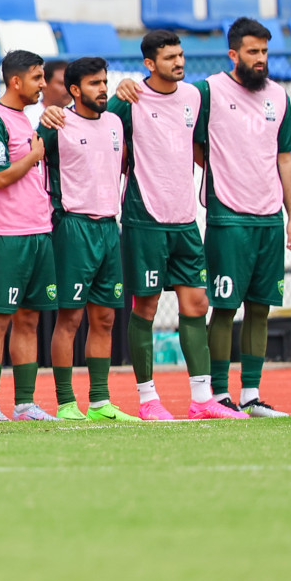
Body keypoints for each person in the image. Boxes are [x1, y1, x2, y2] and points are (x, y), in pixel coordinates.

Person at [108, 31, 219, 420]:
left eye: (181, 54)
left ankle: (203, 400)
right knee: (147, 306)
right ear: (149, 64)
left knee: (197, 303)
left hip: (186, 219)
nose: (179, 62)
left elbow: (201, 147)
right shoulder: (128, 99)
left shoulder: (194, 96)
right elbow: (101, 133)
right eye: (170, 57)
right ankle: (148, 399)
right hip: (145, 218)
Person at [196, 18, 291, 417]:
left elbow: (284, 158)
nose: (261, 59)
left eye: (266, 52)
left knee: (260, 307)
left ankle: (250, 395)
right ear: (233, 54)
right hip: (228, 218)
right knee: (224, 306)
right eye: (253, 52)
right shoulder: (209, 91)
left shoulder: (279, 96)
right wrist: (220, 171)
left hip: (270, 219)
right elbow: (191, 140)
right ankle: (218, 394)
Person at [39, 57, 139, 422]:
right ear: (75, 90)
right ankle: (66, 403)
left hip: (109, 227)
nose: (103, 89)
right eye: (95, 83)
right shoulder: (57, 123)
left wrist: (130, 84)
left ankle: (100, 402)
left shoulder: (114, 121)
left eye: (106, 82)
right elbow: (31, 154)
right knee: (70, 318)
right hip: (73, 227)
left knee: (106, 319)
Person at [0, 49, 62, 422]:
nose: (43, 85)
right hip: (7, 236)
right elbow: (0, 176)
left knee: (30, 319)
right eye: (38, 77)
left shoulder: (25, 121)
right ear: (16, 81)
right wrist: (33, 155)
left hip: (39, 232)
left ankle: (25, 402)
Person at [25, 59, 69, 128]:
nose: (67, 89)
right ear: (44, 85)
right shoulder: (30, 119)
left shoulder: (75, 115)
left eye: (69, 84)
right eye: (61, 83)